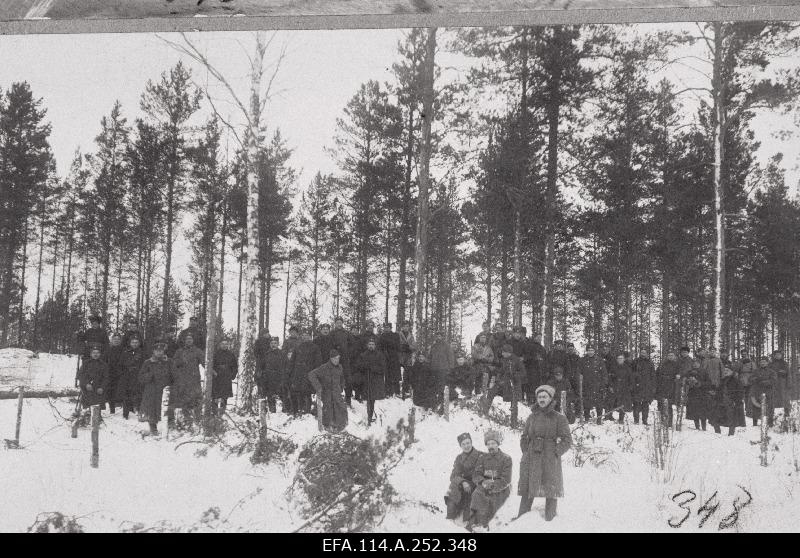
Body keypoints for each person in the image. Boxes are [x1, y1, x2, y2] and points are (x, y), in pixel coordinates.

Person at [518, 384, 572, 522]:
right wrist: (526, 451)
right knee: (529, 485)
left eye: (545, 397)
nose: (542, 399)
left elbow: (567, 440)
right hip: (532, 455)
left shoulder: (559, 418)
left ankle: (550, 518)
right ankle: (521, 518)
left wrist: (556, 452)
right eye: (539, 397)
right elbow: (524, 436)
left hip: (549, 456)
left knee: (550, 486)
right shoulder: (531, 416)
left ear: (550, 398)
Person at [468, 430, 512, 531]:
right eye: (488, 444)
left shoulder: (506, 459)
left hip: (500, 487)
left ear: (498, 444)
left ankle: (484, 524)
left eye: (493, 443)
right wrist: (483, 482)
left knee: (492, 501)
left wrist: (493, 486)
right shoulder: (482, 458)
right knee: (476, 495)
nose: (490, 446)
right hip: (484, 485)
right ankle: (475, 524)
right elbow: (476, 474)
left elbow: (506, 479)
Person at [138, 341, 175, 436]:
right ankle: (153, 428)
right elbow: (141, 378)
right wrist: (150, 375)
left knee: (167, 409)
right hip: (152, 391)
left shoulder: (169, 361)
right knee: (152, 410)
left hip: (165, 390)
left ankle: (169, 428)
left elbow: (174, 375)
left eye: (161, 350)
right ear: (153, 351)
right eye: (157, 350)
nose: (159, 352)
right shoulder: (148, 363)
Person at [445, 433, 483, 522]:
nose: (466, 446)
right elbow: (454, 475)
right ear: (460, 446)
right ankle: (450, 518)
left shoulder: (481, 455)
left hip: (477, 483)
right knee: (453, 488)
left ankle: (467, 521)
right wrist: (462, 482)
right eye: (463, 444)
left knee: (473, 495)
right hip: (464, 484)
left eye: (468, 443)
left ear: (471, 442)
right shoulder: (459, 458)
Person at [308, 349, 348, 432]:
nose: (337, 360)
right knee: (328, 409)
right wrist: (318, 387)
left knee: (340, 408)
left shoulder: (340, 367)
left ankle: (340, 427)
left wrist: (341, 386)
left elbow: (342, 378)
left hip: (337, 392)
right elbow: (311, 374)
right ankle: (327, 427)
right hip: (327, 393)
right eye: (335, 358)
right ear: (331, 359)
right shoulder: (324, 367)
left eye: (338, 358)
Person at [171, 333, 205, 426]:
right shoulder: (179, 351)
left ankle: (197, 421)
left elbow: (204, 363)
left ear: (193, 340)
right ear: (184, 341)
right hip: (182, 380)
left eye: (190, 339)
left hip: (194, 380)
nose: (189, 340)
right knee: (183, 401)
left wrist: (212, 372)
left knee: (196, 400)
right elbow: (174, 364)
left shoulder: (198, 351)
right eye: (187, 339)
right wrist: (180, 362)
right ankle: (185, 421)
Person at [483, 344, 526, 414]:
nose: (502, 354)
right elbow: (502, 371)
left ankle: (513, 423)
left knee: (514, 405)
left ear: (508, 352)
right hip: (504, 383)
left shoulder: (517, 360)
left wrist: (514, 375)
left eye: (503, 352)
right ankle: (484, 412)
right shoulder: (504, 360)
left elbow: (523, 373)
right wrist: (495, 370)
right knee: (491, 391)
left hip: (514, 385)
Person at [288, 330, 323, 415]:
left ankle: (307, 410)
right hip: (298, 373)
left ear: (310, 337)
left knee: (307, 392)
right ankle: (300, 409)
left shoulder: (315, 347)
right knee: (298, 391)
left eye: (306, 335)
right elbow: (292, 361)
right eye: (303, 335)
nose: (304, 337)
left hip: (309, 373)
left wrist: (315, 373)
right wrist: (290, 372)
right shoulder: (297, 347)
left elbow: (318, 362)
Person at [354, 337, 387, 423]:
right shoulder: (363, 355)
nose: (371, 346)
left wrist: (373, 368)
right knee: (368, 399)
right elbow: (358, 366)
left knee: (373, 399)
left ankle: (372, 415)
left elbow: (383, 368)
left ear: (375, 345)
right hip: (366, 380)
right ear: (367, 345)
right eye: (369, 344)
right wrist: (365, 366)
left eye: (372, 344)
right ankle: (369, 416)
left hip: (376, 381)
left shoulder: (379, 355)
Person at [256, 337, 288, 413]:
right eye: (272, 343)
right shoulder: (266, 354)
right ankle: (272, 409)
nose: (273, 345)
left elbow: (286, 365)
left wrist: (284, 376)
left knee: (282, 393)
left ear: (278, 344)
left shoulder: (282, 354)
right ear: (270, 344)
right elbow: (261, 366)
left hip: (279, 377)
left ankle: (285, 409)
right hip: (269, 377)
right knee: (270, 394)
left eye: (275, 343)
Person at [711, 367, 745, 436]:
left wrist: (736, 401)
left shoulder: (736, 381)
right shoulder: (722, 380)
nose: (725, 371)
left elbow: (740, 392)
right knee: (715, 419)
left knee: (732, 419)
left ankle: (731, 435)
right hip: (721, 402)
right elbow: (718, 391)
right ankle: (717, 433)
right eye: (725, 370)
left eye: (728, 370)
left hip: (731, 402)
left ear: (732, 371)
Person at [118, 336, 146, 419]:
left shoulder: (143, 353)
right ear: (130, 343)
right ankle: (125, 413)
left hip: (138, 377)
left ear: (139, 343)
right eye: (133, 342)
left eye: (136, 342)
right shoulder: (125, 352)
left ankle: (139, 412)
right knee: (126, 395)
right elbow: (120, 365)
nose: (134, 344)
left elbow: (146, 365)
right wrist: (124, 373)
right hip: (127, 377)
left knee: (139, 395)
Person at [578, 346, 607, 423]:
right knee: (586, 403)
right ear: (586, 351)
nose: (590, 352)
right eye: (589, 350)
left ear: (594, 351)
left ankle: (599, 419)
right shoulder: (583, 360)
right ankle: (586, 418)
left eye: (592, 350)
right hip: (586, 385)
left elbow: (604, 373)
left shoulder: (599, 360)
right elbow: (579, 372)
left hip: (597, 385)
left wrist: (603, 384)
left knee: (599, 403)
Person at [78, 343, 109, 411]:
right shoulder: (86, 363)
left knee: (97, 407)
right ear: (91, 354)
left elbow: (106, 378)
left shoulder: (104, 365)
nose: (95, 354)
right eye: (94, 353)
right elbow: (80, 375)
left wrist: (102, 387)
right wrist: (86, 384)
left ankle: (97, 417)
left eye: (97, 353)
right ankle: (86, 415)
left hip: (98, 388)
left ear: (100, 354)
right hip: (87, 388)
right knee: (86, 406)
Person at [331, 317, 355, 404]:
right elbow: (329, 346)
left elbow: (353, 344)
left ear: (342, 323)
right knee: (335, 378)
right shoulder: (332, 333)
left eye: (340, 322)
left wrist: (348, 353)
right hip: (335, 360)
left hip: (345, 360)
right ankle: (336, 397)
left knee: (347, 379)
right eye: (337, 322)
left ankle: (348, 398)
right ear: (335, 323)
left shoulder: (347, 333)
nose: (339, 324)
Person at [211, 338, 238, 416]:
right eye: (223, 344)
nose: (224, 345)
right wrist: (214, 373)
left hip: (226, 377)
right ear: (220, 345)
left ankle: (222, 414)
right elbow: (211, 365)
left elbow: (235, 367)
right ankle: (214, 413)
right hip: (217, 378)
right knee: (215, 396)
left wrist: (232, 375)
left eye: (226, 344)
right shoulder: (215, 354)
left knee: (224, 396)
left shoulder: (231, 354)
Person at [655, 350, 680, 427]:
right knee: (661, 404)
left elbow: (679, 374)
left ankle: (669, 423)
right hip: (662, 387)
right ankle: (662, 421)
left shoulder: (677, 365)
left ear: (674, 357)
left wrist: (677, 376)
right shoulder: (663, 364)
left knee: (669, 406)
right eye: (669, 355)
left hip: (671, 387)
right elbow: (657, 374)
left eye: (672, 355)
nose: (670, 357)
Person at [632, 347, 656, 425]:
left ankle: (645, 420)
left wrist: (652, 386)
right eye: (641, 353)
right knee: (636, 404)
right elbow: (631, 373)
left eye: (644, 353)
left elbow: (653, 375)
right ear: (640, 353)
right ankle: (636, 420)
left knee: (645, 404)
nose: (643, 354)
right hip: (637, 386)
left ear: (646, 354)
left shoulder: (650, 362)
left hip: (647, 386)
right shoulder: (635, 361)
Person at [429, 331, 455, 404]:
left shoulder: (446, 345)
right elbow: (430, 357)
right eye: (437, 336)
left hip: (443, 368)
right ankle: (435, 398)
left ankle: (441, 399)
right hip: (434, 368)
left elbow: (451, 357)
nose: (438, 337)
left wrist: (450, 367)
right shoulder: (433, 346)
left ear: (442, 337)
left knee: (442, 384)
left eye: (440, 336)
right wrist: (430, 366)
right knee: (435, 383)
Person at [607, 354, 633, 423]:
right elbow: (609, 378)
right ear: (616, 359)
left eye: (621, 358)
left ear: (624, 359)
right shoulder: (613, 368)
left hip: (624, 389)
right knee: (611, 403)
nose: (620, 360)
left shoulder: (627, 368)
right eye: (618, 358)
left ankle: (621, 419)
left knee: (622, 404)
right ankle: (609, 417)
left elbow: (630, 379)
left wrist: (629, 387)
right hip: (614, 388)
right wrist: (610, 386)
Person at [750, 357, 776, 427]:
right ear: (759, 363)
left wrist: (765, 382)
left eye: (764, 362)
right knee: (756, 407)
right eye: (761, 362)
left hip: (768, 391)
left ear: (767, 363)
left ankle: (770, 423)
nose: (763, 363)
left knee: (769, 407)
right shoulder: (755, 371)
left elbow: (774, 380)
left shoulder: (771, 371)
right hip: (757, 391)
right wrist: (756, 379)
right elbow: (751, 379)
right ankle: (755, 424)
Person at [769, 350, 792, 431]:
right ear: (774, 356)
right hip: (773, 385)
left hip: (783, 384)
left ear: (781, 355)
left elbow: (788, 374)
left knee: (785, 401)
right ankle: (770, 420)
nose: (777, 356)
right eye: (776, 355)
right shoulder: (770, 364)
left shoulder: (785, 364)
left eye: (779, 354)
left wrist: (789, 384)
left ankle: (787, 417)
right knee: (772, 402)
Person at [685, 360, 711, 431]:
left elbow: (709, 383)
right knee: (694, 411)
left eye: (697, 363)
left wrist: (699, 383)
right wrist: (689, 381)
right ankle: (697, 427)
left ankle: (704, 427)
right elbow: (685, 381)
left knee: (703, 412)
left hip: (702, 394)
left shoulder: (704, 372)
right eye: (694, 364)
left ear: (699, 364)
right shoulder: (689, 372)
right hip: (692, 394)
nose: (695, 365)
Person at [378, 322, 402, 397]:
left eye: (388, 327)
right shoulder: (382, 336)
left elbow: (398, 345)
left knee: (395, 375)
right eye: (385, 327)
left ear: (391, 328)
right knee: (387, 375)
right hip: (386, 357)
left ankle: (397, 391)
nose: (386, 328)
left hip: (394, 357)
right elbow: (380, 347)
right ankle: (388, 391)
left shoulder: (395, 335)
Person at [106, 332, 125, 414]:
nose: (116, 341)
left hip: (121, 373)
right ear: (111, 340)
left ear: (120, 341)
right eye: (114, 339)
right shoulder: (108, 350)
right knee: (111, 391)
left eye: (118, 339)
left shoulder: (124, 350)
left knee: (121, 391)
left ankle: (125, 410)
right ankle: (112, 409)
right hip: (110, 373)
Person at [397, 321, 415, 396]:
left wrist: (409, 347)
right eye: (404, 326)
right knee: (399, 373)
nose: (406, 328)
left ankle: (406, 390)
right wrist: (402, 347)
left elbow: (414, 346)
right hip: (400, 356)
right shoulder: (398, 335)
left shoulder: (411, 336)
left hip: (408, 357)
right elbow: (396, 344)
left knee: (407, 374)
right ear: (402, 327)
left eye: (407, 326)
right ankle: (398, 390)